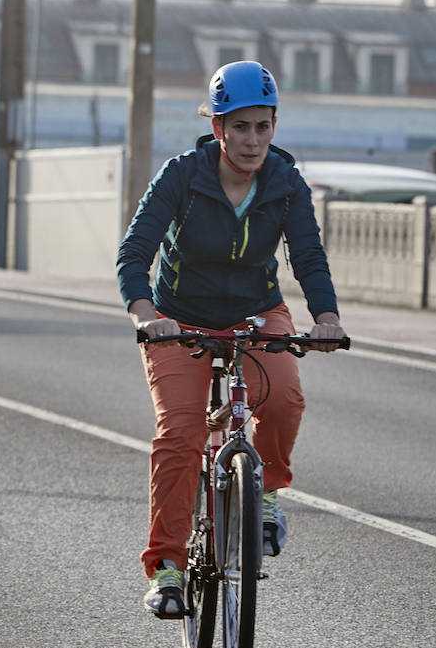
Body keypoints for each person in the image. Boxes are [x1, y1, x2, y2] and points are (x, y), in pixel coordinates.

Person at [115, 60, 346, 619]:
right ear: (217, 128)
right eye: (239, 126)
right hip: (179, 317)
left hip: (254, 311)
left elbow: (308, 257)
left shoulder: (286, 183)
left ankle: (264, 496)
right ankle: (167, 569)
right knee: (182, 433)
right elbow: (135, 253)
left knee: (284, 396)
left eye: (262, 126)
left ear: (273, 127)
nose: (251, 140)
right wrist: (147, 314)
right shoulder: (182, 176)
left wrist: (328, 317)